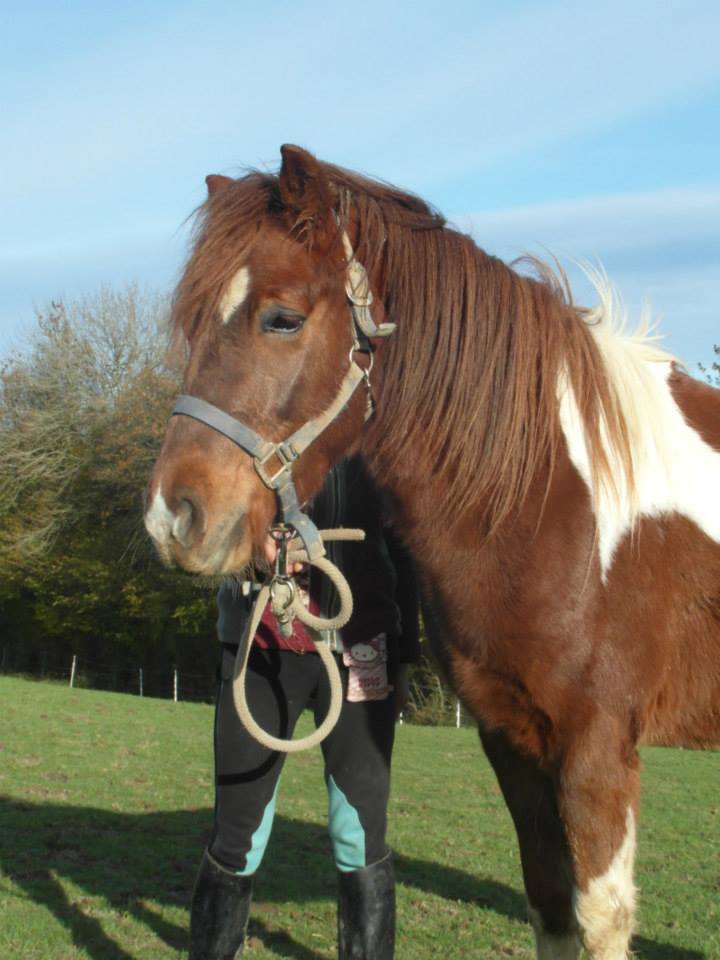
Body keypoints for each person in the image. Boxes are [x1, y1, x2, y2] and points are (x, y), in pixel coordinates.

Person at [189, 455, 420, 960]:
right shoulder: (252, 424)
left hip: (362, 648)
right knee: (237, 833)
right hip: (262, 650)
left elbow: (404, 548)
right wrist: (253, 546)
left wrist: (405, 655)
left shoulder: (376, 435)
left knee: (359, 833)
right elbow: (205, 520)